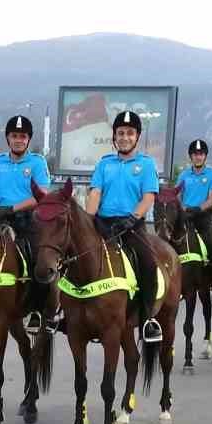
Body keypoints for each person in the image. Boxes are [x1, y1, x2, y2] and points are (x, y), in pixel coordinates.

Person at [85, 110, 162, 342]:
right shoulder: (104, 164)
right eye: (120, 133)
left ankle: (148, 318)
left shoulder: (146, 165)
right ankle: (65, 312)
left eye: (129, 133)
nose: (124, 137)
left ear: (137, 136)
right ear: (114, 137)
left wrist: (133, 217)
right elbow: (95, 193)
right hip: (103, 224)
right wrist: (89, 220)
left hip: (131, 226)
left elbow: (149, 196)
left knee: (148, 263)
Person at [0, 115, 53, 331]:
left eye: (23, 136)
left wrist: (11, 209)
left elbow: (41, 195)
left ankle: (37, 311)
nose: (19, 140)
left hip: (28, 220)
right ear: (8, 138)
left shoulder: (37, 163)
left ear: (28, 140)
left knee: (38, 261)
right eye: (14, 136)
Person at [174, 138, 212, 286]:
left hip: (203, 216)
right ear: (191, 156)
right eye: (195, 154)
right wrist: (183, 208)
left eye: (201, 154)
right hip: (185, 215)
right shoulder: (183, 175)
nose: (198, 157)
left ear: (205, 156)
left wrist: (198, 208)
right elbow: (177, 195)